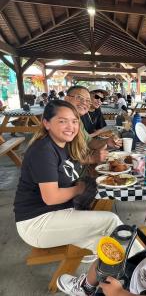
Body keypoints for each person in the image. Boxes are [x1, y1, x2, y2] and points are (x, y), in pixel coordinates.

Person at [14, 100, 123, 257]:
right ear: (46, 123)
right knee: (111, 221)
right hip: (37, 223)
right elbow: (51, 197)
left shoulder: (63, 145)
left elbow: (77, 161)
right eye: (62, 121)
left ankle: (130, 274)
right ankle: (143, 271)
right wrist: (80, 188)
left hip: (59, 214)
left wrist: (95, 157)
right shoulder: (43, 150)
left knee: (107, 245)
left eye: (74, 121)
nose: (70, 127)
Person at [57, 197, 146, 296]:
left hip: (131, 291)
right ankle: (86, 287)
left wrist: (118, 293)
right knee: (104, 260)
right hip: (136, 273)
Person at [64, 85, 121, 163]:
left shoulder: (78, 120)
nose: (84, 102)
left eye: (87, 100)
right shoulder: (60, 122)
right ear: (66, 99)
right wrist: (91, 159)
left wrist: (107, 141)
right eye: (79, 97)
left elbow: (89, 142)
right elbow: (63, 160)